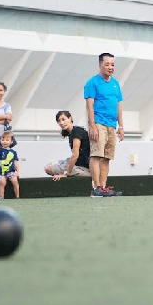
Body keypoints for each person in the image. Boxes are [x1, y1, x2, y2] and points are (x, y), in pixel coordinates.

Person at [84, 53, 125, 197]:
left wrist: (121, 126)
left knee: (107, 157)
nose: (110, 67)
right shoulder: (92, 82)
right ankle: (96, 188)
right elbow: (89, 106)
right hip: (99, 123)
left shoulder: (115, 84)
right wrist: (92, 126)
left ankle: (103, 187)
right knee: (96, 155)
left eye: (112, 64)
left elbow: (119, 105)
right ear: (100, 65)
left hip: (112, 125)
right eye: (107, 64)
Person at [46, 110, 92, 180]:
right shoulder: (71, 133)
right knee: (49, 165)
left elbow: (75, 155)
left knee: (48, 168)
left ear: (70, 118)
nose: (61, 123)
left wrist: (66, 174)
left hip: (84, 168)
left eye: (63, 119)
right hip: (78, 164)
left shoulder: (77, 131)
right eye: (59, 121)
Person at [0, 131, 20, 199]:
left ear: (11, 141)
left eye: (7, 140)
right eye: (3, 140)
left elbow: (15, 162)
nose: (5, 141)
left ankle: (17, 196)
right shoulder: (0, 150)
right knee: (2, 182)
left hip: (11, 171)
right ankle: (1, 197)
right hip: (2, 172)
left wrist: (17, 172)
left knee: (15, 181)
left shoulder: (13, 152)